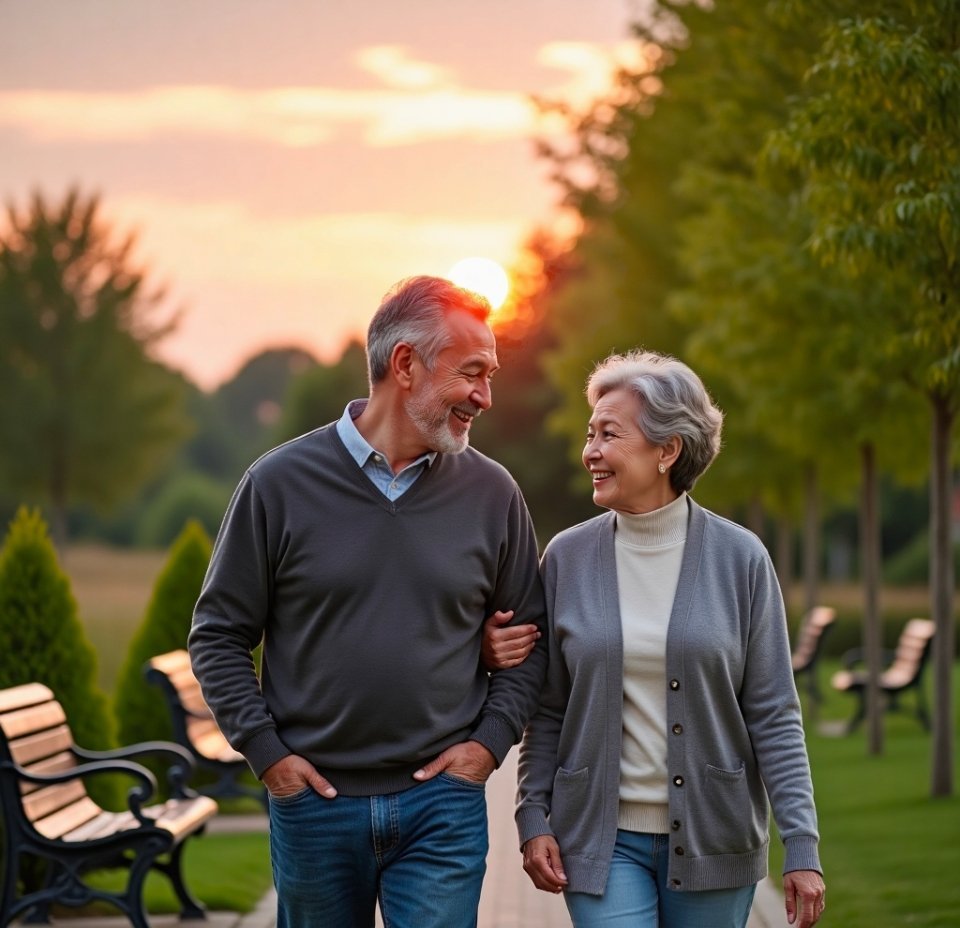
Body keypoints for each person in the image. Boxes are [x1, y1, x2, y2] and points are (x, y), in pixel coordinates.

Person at [188, 275, 548, 928]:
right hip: (314, 807)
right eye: (472, 373)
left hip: (444, 806)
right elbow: (217, 634)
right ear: (406, 364)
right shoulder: (278, 485)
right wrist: (270, 759)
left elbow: (531, 637)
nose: (485, 396)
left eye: (490, 375)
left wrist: (488, 747)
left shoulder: (493, 493)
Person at [515, 349, 826, 928]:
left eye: (609, 434)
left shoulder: (742, 559)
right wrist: (533, 817)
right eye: (590, 435)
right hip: (598, 841)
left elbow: (774, 712)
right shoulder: (566, 557)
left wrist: (801, 847)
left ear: (667, 450)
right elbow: (548, 707)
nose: (590, 452)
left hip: (716, 838)